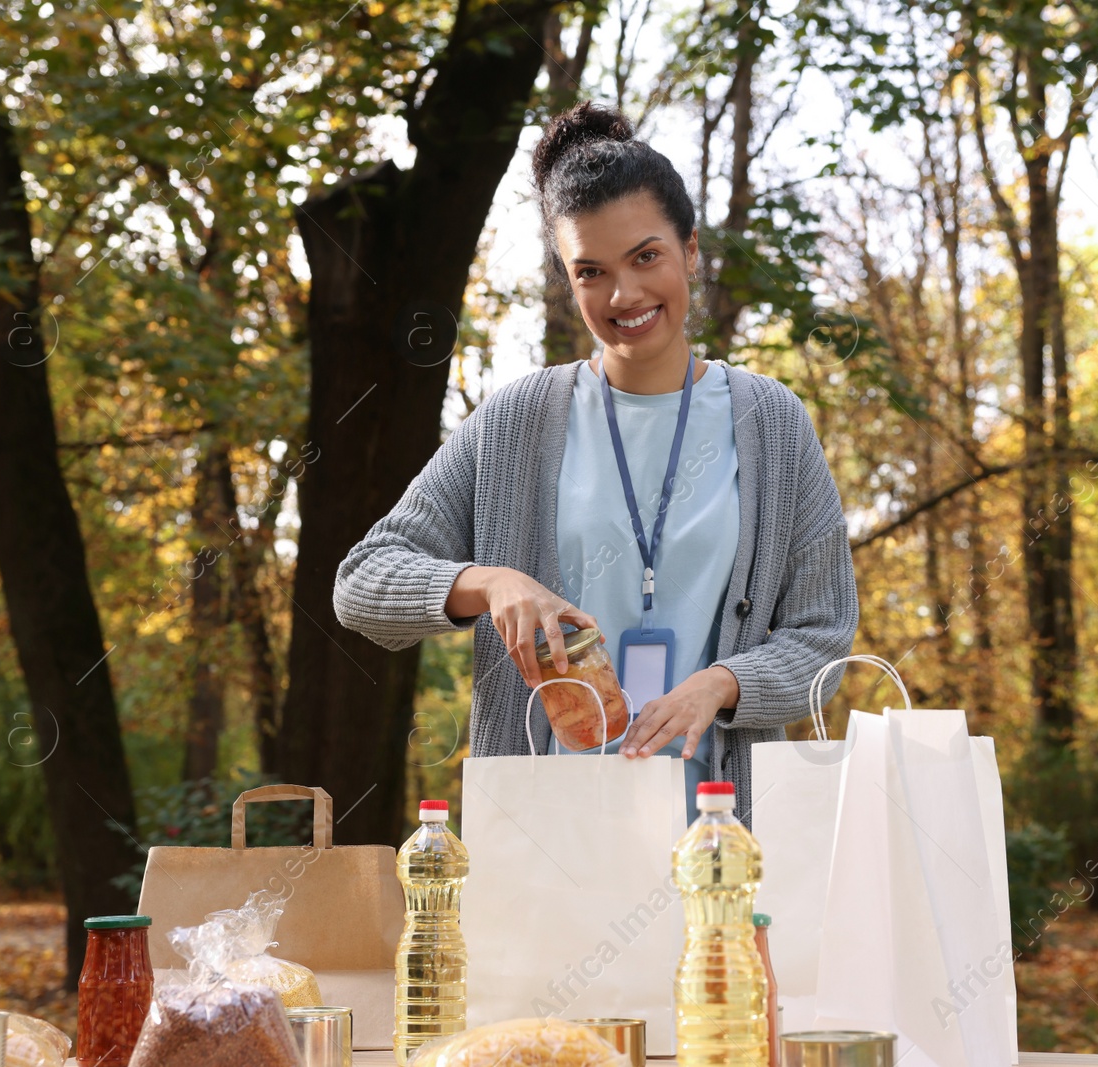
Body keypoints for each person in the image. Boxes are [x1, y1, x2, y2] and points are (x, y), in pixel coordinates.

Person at [332, 100, 857, 826]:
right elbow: (362, 582)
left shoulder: (772, 422)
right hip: (545, 836)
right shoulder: (518, 419)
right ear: (569, 279)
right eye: (591, 272)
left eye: (646, 256)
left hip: (722, 832)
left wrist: (725, 682)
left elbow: (822, 633)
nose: (624, 295)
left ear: (691, 250)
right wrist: (491, 582)